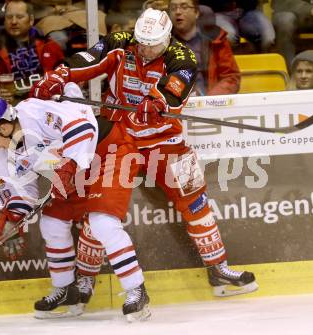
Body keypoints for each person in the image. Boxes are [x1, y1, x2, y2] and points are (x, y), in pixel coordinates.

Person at [30, 7, 258, 308]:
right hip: (117, 138)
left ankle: (219, 269)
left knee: (196, 199)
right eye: (142, 42)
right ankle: (84, 280)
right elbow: (89, 60)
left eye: (153, 44)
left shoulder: (183, 56)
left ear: (167, 38)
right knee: (99, 208)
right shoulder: (121, 42)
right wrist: (61, 75)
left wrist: (157, 100)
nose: (146, 49)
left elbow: (176, 88)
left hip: (166, 141)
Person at [0, 84, 99, 319]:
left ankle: (88, 279)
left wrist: (71, 164)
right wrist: (12, 220)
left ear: (5, 126)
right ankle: (65, 288)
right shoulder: (4, 152)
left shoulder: (35, 113)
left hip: (95, 162)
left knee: (99, 225)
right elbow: (19, 190)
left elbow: (83, 124)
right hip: (65, 182)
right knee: (51, 224)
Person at [0, 0, 64, 102]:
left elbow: (66, 81)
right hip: (9, 110)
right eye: (9, 17)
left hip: (47, 106)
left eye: (20, 17)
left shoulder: (49, 47)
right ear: (4, 20)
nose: (14, 21)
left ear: (31, 20)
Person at [168, 0, 240, 96]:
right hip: (174, 103)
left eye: (184, 7)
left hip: (210, 103)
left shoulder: (216, 39)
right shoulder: (163, 43)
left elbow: (231, 77)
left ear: (196, 12)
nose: (178, 12)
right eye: (173, 8)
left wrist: (210, 100)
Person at [198, 0, 275, 52]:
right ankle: (230, 68)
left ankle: (261, 67)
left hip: (247, 11)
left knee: (268, 38)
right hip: (218, 12)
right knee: (227, 37)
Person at [272, 0, 313, 66]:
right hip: (291, 11)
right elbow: (281, 2)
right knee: (285, 21)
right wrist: (310, 9)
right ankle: (291, 71)